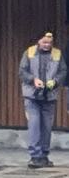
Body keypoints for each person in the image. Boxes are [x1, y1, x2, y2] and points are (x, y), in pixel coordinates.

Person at [19, 32, 67, 169]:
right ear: (38, 41)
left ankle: (44, 156)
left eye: (49, 43)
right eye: (44, 42)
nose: (47, 45)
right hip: (32, 96)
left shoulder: (57, 54)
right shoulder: (29, 52)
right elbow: (22, 71)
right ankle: (35, 156)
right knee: (34, 124)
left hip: (49, 96)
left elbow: (63, 71)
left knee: (46, 126)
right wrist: (33, 80)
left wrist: (55, 82)